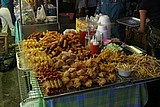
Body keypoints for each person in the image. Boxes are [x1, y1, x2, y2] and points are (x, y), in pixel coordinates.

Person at [139, 1, 160, 107]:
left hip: (156, 42)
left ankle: (151, 100)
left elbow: (142, 29)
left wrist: (143, 26)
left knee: (153, 70)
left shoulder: (144, 3)